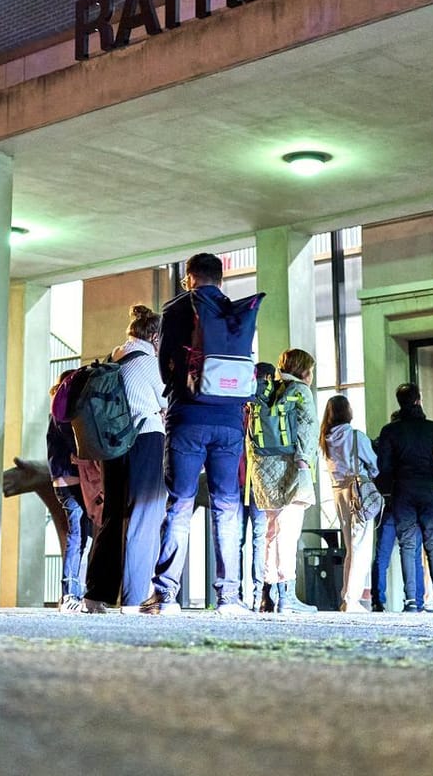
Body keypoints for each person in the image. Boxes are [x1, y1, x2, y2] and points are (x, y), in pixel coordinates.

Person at [149, 253, 263, 615]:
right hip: (230, 421)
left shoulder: (177, 310)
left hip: (188, 417)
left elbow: (164, 364)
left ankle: (166, 596)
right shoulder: (237, 311)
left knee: (180, 505)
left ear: (189, 278)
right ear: (221, 278)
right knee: (226, 507)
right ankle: (229, 597)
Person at [81, 305, 168, 613]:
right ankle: (133, 598)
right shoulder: (148, 362)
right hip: (145, 439)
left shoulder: (113, 359)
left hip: (112, 446)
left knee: (112, 515)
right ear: (155, 336)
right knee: (144, 515)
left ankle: (96, 594)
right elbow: (167, 401)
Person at [374, 383, 433, 613]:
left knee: (407, 545)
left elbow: (384, 466)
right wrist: (430, 472)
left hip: (403, 491)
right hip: (428, 490)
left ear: (399, 403)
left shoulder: (390, 431)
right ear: (419, 400)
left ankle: (410, 600)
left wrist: (401, 474)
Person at [250, 349, 319, 614]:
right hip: (292, 467)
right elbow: (308, 428)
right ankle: (287, 596)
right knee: (288, 533)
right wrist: (304, 460)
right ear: (304, 370)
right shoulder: (301, 391)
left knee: (271, 532)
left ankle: (266, 595)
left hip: (263, 468)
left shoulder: (269, 390)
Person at [320, 394, 379, 613]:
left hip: (338, 492)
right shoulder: (355, 436)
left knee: (350, 547)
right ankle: (351, 599)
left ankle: (347, 595)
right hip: (358, 492)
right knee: (361, 546)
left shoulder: (325, 438)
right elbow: (374, 465)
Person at [45, 372, 89, 611]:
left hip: (62, 481)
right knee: (78, 535)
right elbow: (75, 447)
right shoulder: (64, 413)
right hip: (72, 480)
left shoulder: (56, 411)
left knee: (79, 535)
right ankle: (71, 593)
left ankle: (74, 592)